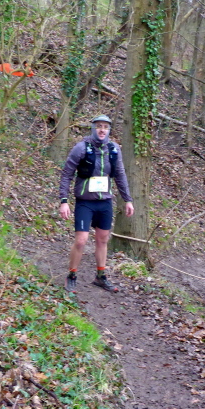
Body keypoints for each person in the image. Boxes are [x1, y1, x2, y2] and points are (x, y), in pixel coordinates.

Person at [59, 115, 134, 293]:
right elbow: (67, 174)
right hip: (85, 201)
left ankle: (101, 276)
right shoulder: (81, 148)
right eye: (99, 126)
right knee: (81, 240)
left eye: (106, 127)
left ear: (109, 130)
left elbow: (120, 175)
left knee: (102, 239)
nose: (102, 130)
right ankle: (72, 275)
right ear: (93, 128)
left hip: (105, 202)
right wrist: (64, 201)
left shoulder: (114, 149)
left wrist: (128, 199)